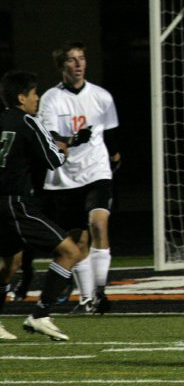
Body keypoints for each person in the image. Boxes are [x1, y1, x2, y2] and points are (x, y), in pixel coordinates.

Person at [37, 41, 121, 314]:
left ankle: (100, 292)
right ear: (62, 66)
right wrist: (73, 139)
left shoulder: (102, 97)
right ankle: (87, 299)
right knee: (77, 241)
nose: (78, 64)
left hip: (96, 172)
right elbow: (51, 139)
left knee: (99, 223)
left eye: (81, 59)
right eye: (71, 60)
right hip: (65, 177)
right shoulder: (51, 98)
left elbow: (112, 135)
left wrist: (115, 157)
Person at [0, 70, 82, 341]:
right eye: (34, 94)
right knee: (70, 251)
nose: (37, 99)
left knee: (10, 264)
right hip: (17, 204)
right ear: (22, 97)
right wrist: (64, 147)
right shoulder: (27, 121)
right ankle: (41, 314)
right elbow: (54, 159)